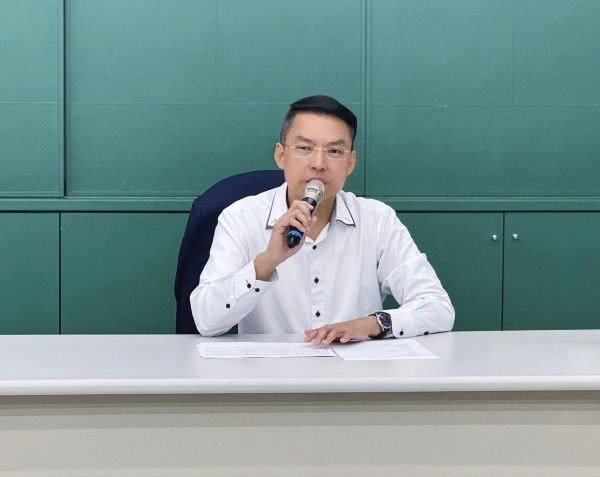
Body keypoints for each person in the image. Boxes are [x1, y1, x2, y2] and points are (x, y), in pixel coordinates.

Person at [191, 95, 454, 344]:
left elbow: (438, 307)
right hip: (270, 372)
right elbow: (206, 321)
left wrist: (372, 324)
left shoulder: (377, 220)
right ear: (281, 155)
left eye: (335, 151)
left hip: (354, 373)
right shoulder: (240, 218)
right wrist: (267, 261)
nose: (319, 163)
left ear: (350, 163)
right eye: (305, 148)